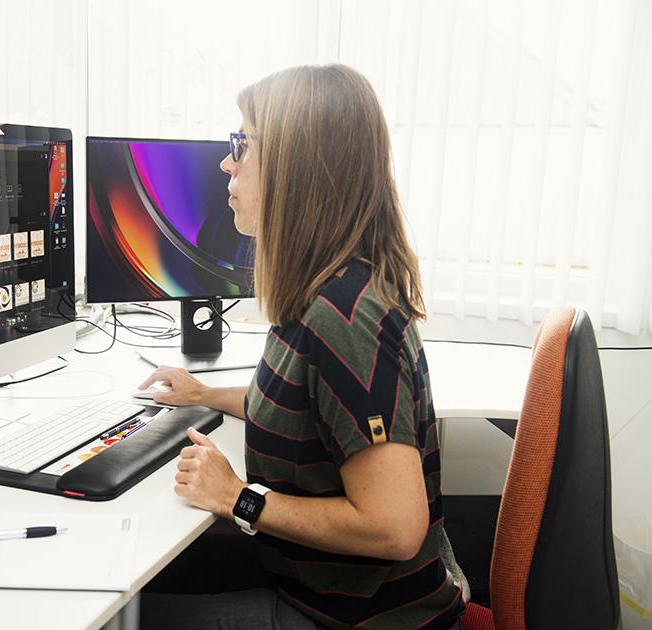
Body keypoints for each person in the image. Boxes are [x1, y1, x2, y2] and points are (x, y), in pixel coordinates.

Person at [138, 64, 467, 630]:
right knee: (147, 574)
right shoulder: (323, 290)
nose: (227, 163)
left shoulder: (344, 318)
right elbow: (299, 406)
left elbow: (396, 527)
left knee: (125, 615)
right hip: (322, 585)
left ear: (295, 168)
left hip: (363, 617)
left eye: (242, 144)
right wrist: (204, 394)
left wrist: (236, 497)